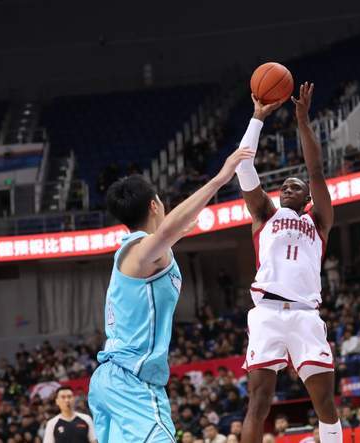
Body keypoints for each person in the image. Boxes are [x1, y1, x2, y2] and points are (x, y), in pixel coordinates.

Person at [87, 148, 252, 442]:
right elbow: (162, 235)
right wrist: (219, 179)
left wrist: (178, 233)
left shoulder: (141, 252)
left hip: (114, 379)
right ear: (154, 205)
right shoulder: (139, 250)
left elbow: (165, 238)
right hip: (130, 380)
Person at [237, 83, 341, 443]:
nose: (286, 189)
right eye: (283, 186)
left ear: (308, 196)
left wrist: (303, 121)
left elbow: (316, 170)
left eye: (294, 187)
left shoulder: (318, 220)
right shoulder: (265, 213)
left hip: (305, 314)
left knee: (324, 402)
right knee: (258, 402)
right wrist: (257, 118)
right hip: (266, 312)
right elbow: (244, 166)